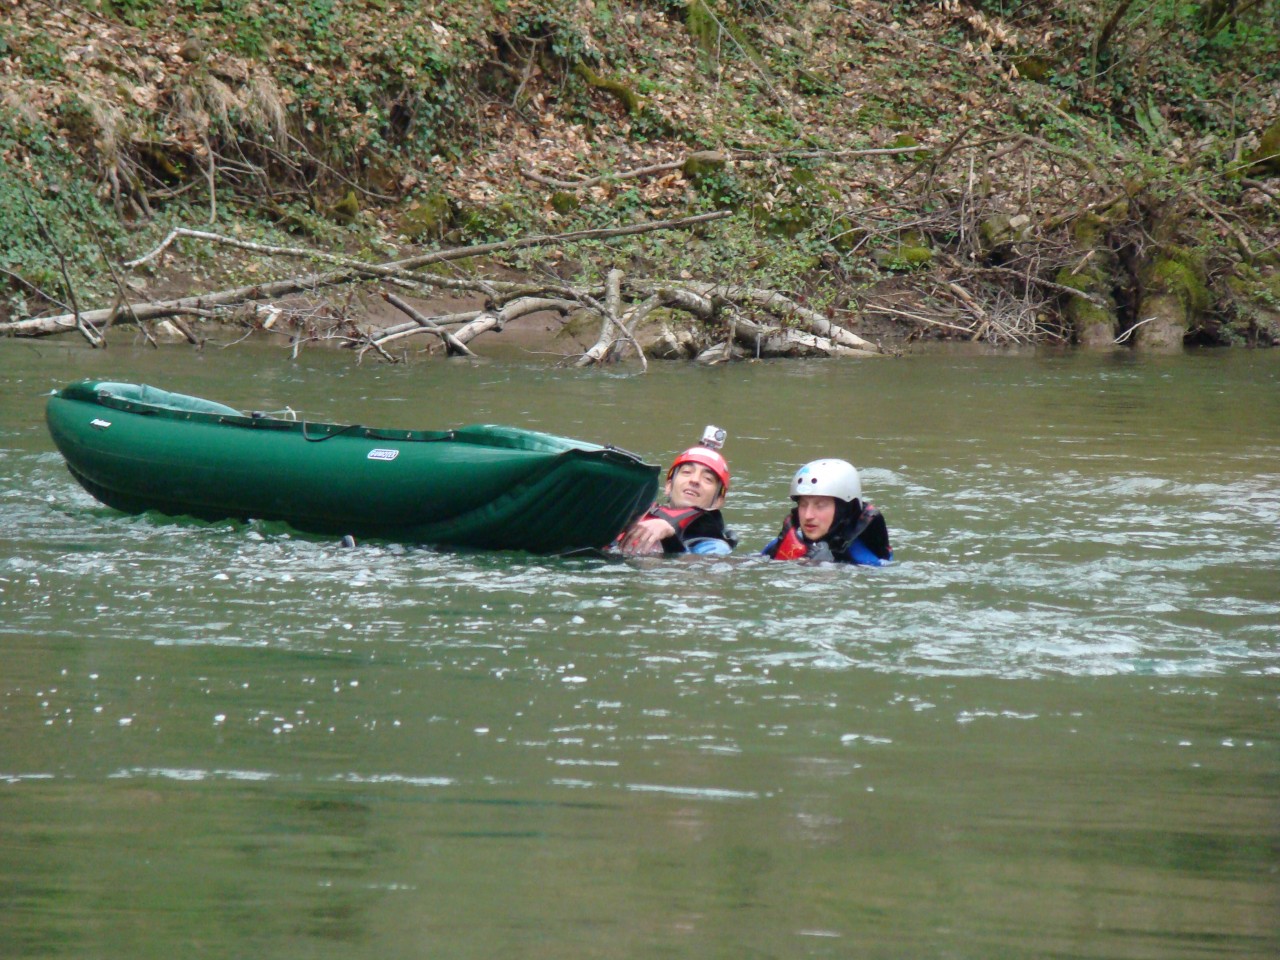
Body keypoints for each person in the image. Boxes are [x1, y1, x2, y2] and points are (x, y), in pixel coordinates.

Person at [616, 428, 737, 557]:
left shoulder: (714, 545)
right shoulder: (636, 512)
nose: (695, 480)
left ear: (718, 501)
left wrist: (670, 539)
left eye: (708, 479)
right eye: (687, 472)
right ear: (668, 486)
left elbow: (702, 565)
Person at [761, 458, 892, 565]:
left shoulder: (863, 559)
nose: (808, 515)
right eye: (803, 505)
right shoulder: (781, 545)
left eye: (820, 506)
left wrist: (824, 567)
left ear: (844, 510)